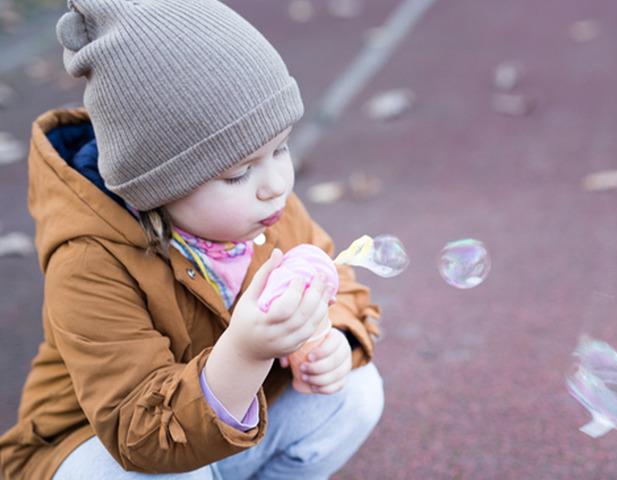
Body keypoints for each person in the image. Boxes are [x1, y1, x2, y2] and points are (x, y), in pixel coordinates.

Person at [0, 0, 384, 478]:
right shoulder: (89, 260)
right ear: (159, 185)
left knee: (356, 390)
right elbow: (138, 434)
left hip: (222, 430)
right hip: (106, 449)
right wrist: (245, 352)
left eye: (280, 148)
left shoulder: (264, 212)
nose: (275, 183)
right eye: (239, 172)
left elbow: (336, 278)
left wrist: (334, 339)